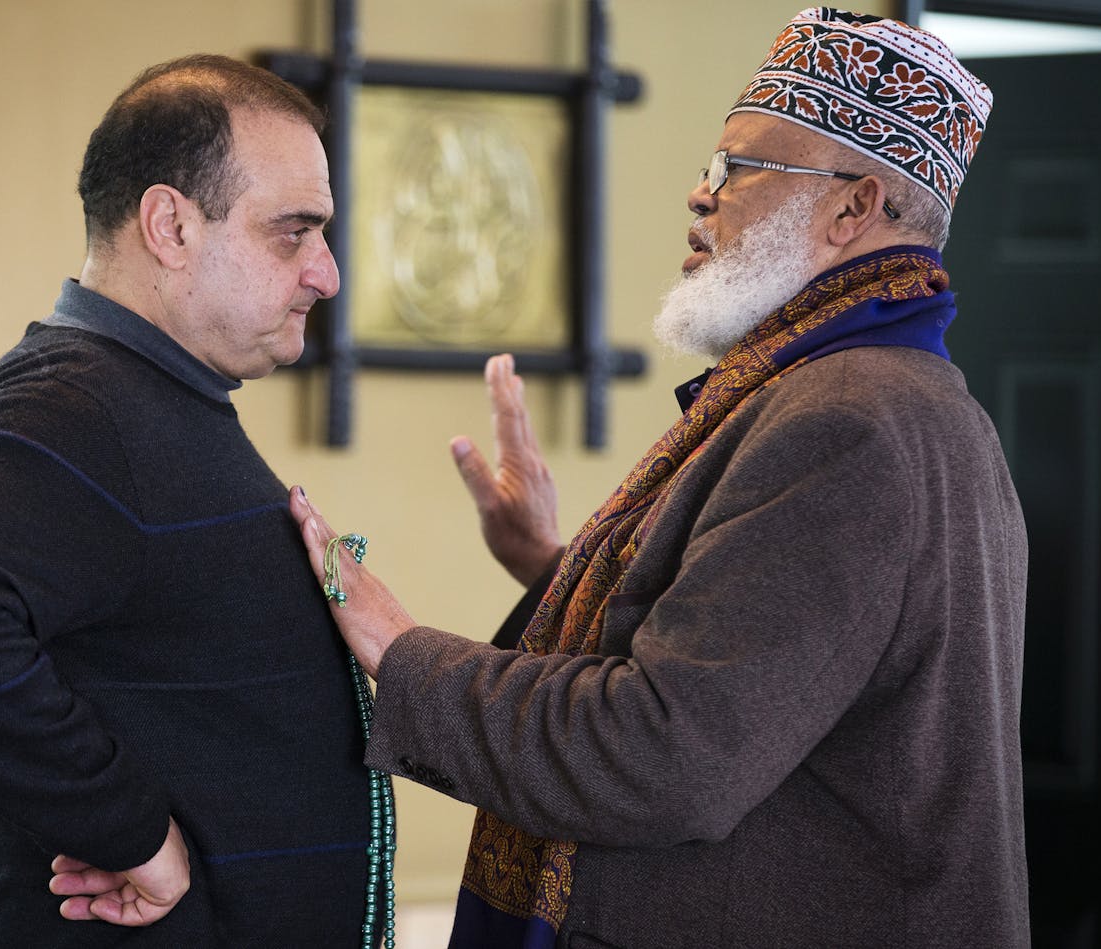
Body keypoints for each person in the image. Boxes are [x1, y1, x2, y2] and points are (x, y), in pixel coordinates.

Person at [289, 9, 1029, 949]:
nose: (698, 193)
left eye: (739, 169)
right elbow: (770, 668)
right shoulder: (895, 397)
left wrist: (401, 650)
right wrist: (556, 565)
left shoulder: (849, 422)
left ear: (853, 207)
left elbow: (666, 753)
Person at [0, 55, 392, 947]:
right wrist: (131, 832)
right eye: (293, 233)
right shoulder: (77, 403)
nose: (326, 275)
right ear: (170, 225)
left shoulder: (139, 394)